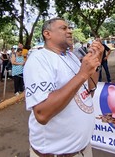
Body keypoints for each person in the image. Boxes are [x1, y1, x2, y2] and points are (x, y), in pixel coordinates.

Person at [23, 17, 103, 156]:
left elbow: (89, 91)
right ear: (47, 34)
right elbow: (42, 114)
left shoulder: (71, 57)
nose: (70, 31)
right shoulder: (38, 59)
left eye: (69, 28)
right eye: (64, 28)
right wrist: (82, 74)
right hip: (57, 153)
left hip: (83, 149)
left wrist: (96, 61)